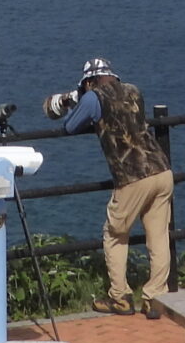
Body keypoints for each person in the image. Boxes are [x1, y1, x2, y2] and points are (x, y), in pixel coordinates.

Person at [45, 57, 174, 316]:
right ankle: (155, 295)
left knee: (114, 233)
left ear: (90, 82)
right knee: (158, 235)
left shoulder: (93, 98)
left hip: (132, 176)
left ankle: (120, 296)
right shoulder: (134, 90)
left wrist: (75, 102)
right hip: (162, 169)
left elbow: (70, 126)